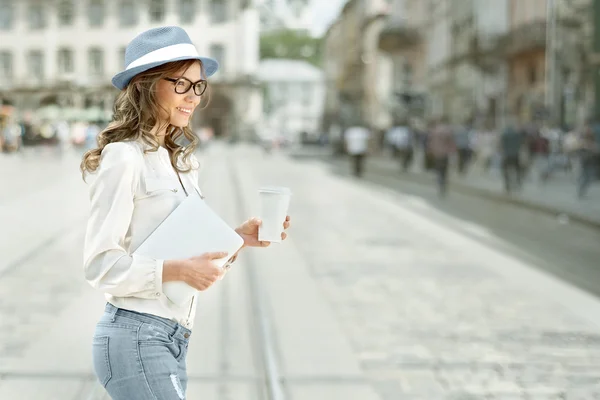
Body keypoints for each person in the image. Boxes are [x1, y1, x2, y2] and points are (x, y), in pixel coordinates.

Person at [79, 26, 291, 400]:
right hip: (135, 338)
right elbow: (99, 265)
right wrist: (177, 271)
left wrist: (237, 240)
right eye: (181, 84)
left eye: (198, 86)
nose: (192, 97)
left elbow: (179, 246)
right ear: (146, 85)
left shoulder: (182, 163)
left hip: (173, 338)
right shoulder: (123, 158)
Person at [428, 117, 455, 197]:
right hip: (445, 153)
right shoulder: (448, 131)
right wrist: (452, 151)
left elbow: (431, 142)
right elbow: (451, 142)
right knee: (444, 170)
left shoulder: (435, 130)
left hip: (437, 153)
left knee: (438, 169)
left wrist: (430, 150)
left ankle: (440, 182)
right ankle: (443, 183)